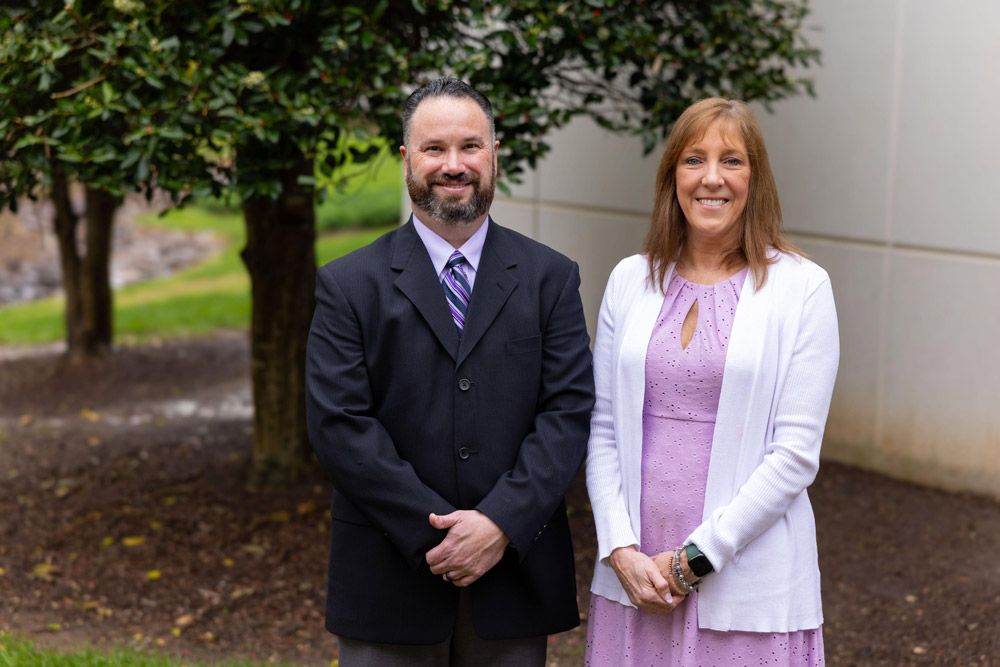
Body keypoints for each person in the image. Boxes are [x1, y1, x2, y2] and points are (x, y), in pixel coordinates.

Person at [305, 77, 595, 667]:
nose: (454, 165)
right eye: (435, 148)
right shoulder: (348, 284)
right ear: (407, 159)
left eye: (471, 146)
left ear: (495, 155)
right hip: (388, 576)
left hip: (514, 574)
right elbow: (339, 426)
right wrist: (439, 535)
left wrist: (498, 524)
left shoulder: (551, 278)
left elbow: (567, 415)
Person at [584, 98, 840, 666]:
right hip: (636, 575)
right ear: (672, 174)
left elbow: (795, 455)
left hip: (746, 573)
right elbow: (601, 428)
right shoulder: (629, 280)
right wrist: (621, 550)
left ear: (757, 178)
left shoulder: (802, 288)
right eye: (694, 159)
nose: (712, 178)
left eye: (733, 160)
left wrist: (694, 560)